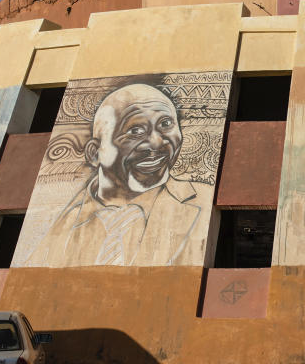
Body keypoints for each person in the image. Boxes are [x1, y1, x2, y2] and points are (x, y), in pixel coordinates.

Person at [26, 83, 205, 266]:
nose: (157, 143)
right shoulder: (53, 222)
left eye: (166, 124)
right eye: (135, 131)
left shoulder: (202, 202)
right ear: (95, 153)